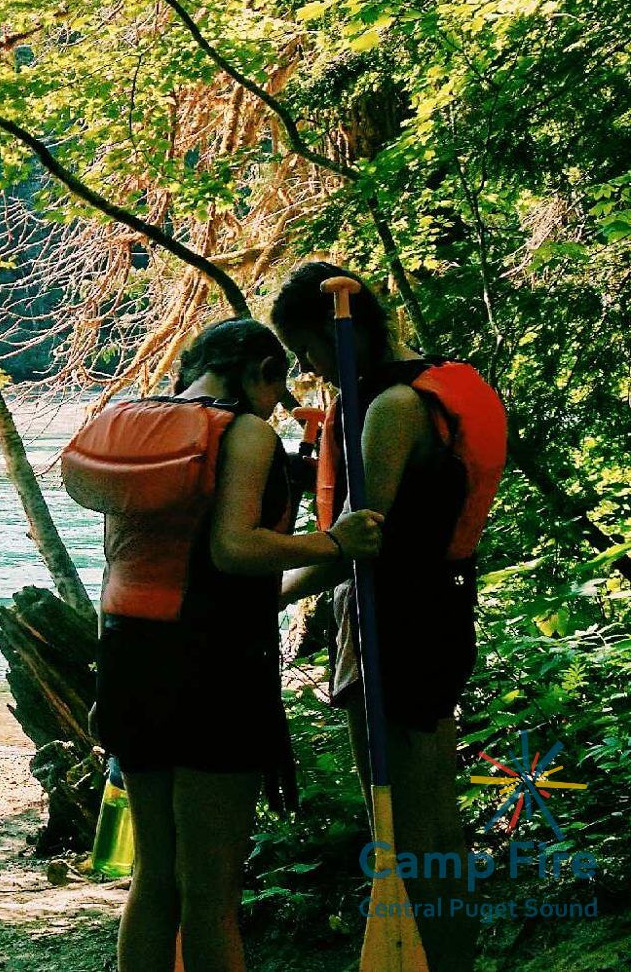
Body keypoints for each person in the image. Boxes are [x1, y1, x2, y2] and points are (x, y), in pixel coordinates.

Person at [64, 318, 383, 972]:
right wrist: (335, 542)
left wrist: (306, 570)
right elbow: (233, 549)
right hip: (213, 670)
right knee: (211, 893)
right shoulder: (244, 432)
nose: (276, 407)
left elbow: (136, 565)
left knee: (155, 877)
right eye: (276, 390)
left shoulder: (136, 424)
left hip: (129, 661)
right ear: (260, 371)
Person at [271, 262, 506, 971]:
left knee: (409, 824)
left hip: (397, 623)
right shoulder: (419, 389)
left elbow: (355, 539)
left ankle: (434, 959)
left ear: (336, 334)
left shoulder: (394, 409)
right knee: (425, 814)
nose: (308, 368)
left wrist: (263, 591)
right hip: (433, 612)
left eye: (307, 349)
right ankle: (446, 961)